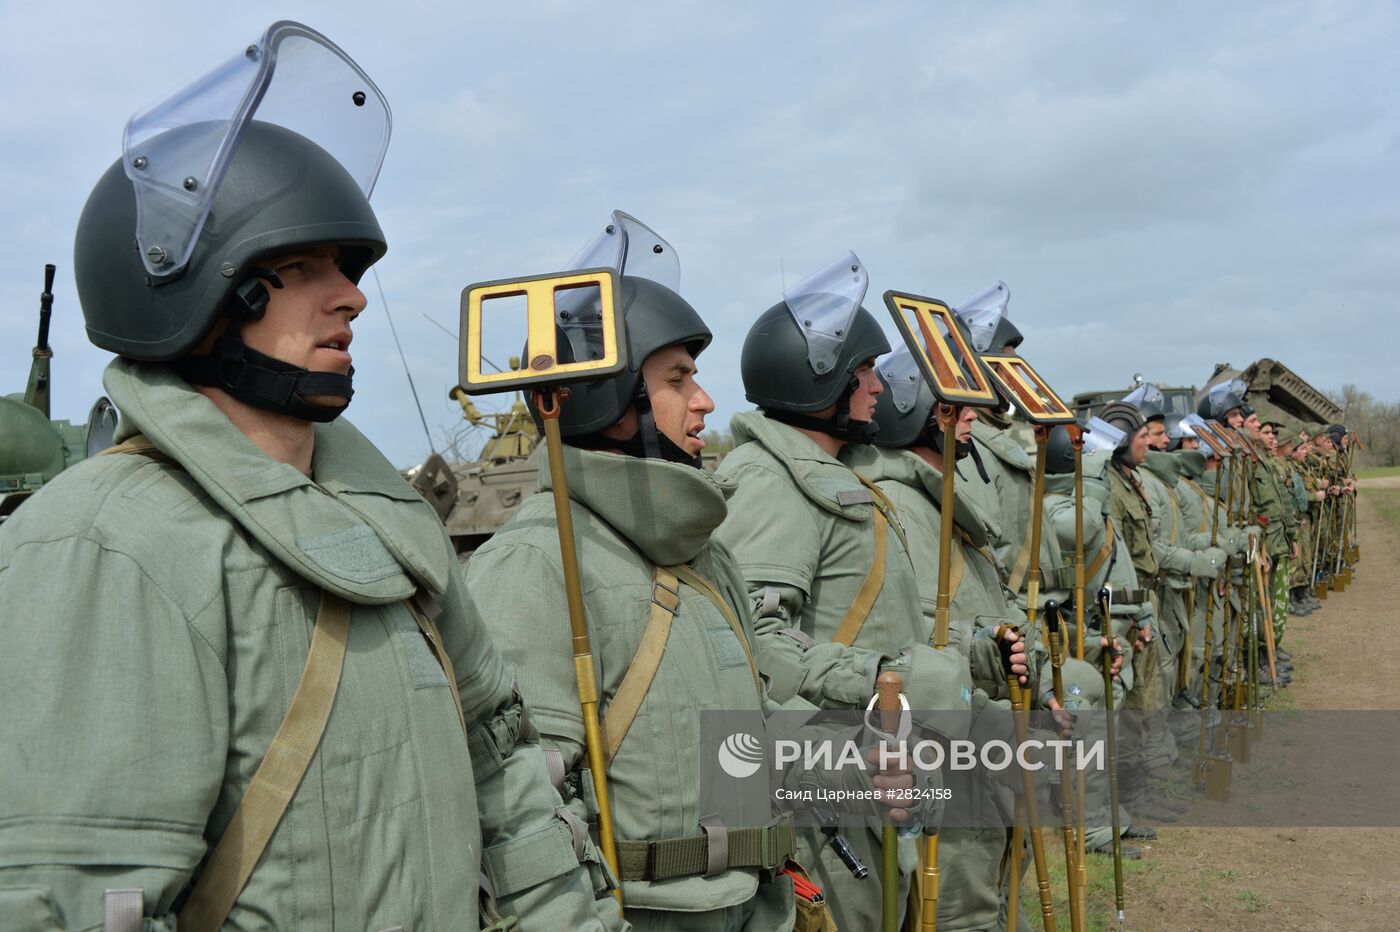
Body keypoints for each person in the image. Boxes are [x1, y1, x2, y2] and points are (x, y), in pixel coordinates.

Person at [0, 24, 612, 931]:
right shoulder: (104, 548)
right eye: (300, 267)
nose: (352, 294)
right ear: (202, 291)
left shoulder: (394, 532)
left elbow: (506, 781)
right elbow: (76, 901)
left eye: (347, 267)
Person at [462, 214, 828, 931]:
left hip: (753, 903)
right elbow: (519, 806)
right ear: (611, 394)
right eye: (678, 378)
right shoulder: (536, 562)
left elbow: (736, 736)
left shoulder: (706, 553)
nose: (706, 401)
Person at [713, 253, 985, 931]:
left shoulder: (846, 473)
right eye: (863, 372)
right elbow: (755, 639)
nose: (876, 388)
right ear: (819, 379)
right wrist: (876, 681)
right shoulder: (772, 481)